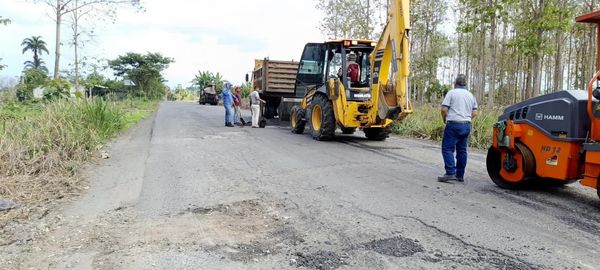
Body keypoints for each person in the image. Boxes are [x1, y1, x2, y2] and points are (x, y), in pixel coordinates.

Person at [438, 74, 478, 183]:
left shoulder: (451, 93)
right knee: (462, 150)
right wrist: (466, 118)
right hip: (466, 125)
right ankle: (460, 175)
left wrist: (444, 119)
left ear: (455, 83)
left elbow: (444, 109)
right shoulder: (471, 95)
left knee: (447, 148)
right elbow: (475, 112)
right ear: (465, 84)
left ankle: (450, 172)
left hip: (453, 124)